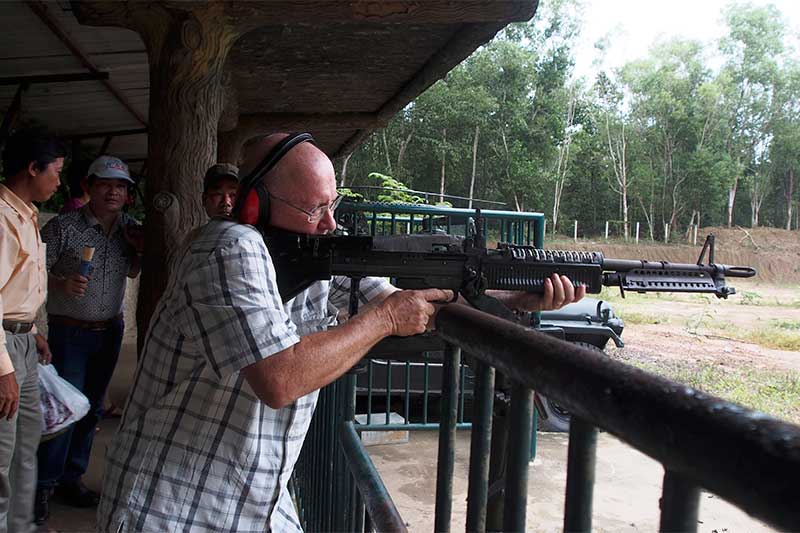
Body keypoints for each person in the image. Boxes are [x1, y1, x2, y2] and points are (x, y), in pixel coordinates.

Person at [97, 133, 585, 532]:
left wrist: (517, 298)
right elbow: (279, 378)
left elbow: (413, 304)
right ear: (254, 205)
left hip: (253, 502)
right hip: (172, 506)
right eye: (315, 209)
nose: (330, 223)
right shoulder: (229, 246)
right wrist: (384, 320)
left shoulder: (315, 257)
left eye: (334, 205)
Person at [34, 156, 143, 525]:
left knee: (93, 408)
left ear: (128, 194)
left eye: (121, 186)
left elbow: (133, 269)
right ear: (89, 187)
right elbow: (30, 274)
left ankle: (71, 478)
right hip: (69, 332)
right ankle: (42, 486)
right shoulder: (63, 228)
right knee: (65, 410)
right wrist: (60, 284)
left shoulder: (131, 230)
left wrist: (141, 251)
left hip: (109, 331)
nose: (114, 191)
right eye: (105, 184)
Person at [0, 132, 64, 533]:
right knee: (2, 453)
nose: (59, 183)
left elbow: (18, 288)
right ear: (32, 168)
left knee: (26, 445)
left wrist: (32, 330)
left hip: (19, 339)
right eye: (55, 173)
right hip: (3, 347)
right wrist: (3, 368)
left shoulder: (26, 213)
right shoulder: (3, 217)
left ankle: (21, 526)